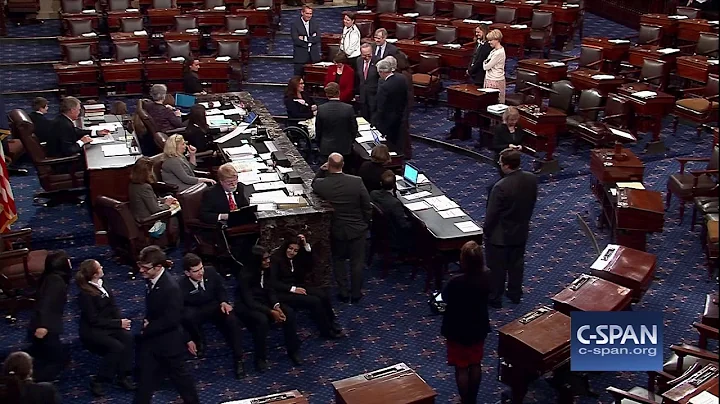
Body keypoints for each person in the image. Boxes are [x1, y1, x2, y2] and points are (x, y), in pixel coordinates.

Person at [134, 245, 200, 404]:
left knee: (182, 380)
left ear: (158, 267)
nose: (141, 271)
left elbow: (172, 319)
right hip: (153, 342)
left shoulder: (170, 287)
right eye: (140, 266)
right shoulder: (151, 280)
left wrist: (147, 328)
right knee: (145, 381)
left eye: (145, 268)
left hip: (168, 343)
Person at [311, 153, 372, 303]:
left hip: (337, 229)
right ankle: (356, 293)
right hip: (358, 229)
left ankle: (343, 292)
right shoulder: (356, 182)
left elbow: (313, 183)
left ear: (329, 165)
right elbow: (366, 205)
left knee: (338, 260)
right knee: (357, 262)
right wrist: (366, 223)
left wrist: (321, 170)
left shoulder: (323, 184)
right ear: (343, 164)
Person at [234, 246, 303, 372]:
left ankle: (293, 351)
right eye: (264, 259)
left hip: (264, 300)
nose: (268, 261)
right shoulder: (244, 275)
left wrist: (276, 306)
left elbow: (270, 289)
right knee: (262, 320)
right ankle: (260, 358)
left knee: (289, 313)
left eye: (268, 258)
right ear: (256, 261)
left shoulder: (268, 269)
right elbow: (249, 301)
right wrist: (271, 312)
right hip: (246, 305)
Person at [484, 149, 538, 308]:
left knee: (497, 269)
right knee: (516, 265)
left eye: (500, 162)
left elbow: (491, 214)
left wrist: (486, 232)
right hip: (521, 231)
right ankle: (515, 293)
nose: (499, 165)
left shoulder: (500, 186)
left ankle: (495, 298)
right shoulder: (531, 179)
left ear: (506, 165)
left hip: (499, 237)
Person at [179, 253, 246, 379]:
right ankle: (199, 340)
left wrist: (224, 302)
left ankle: (239, 359)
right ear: (187, 273)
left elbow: (220, 289)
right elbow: (179, 311)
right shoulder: (180, 285)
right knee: (186, 316)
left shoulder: (211, 272)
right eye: (196, 271)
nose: (201, 273)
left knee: (232, 319)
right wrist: (188, 339)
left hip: (214, 307)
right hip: (195, 310)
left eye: (201, 268)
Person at [440, 241, 491, 404]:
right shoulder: (487, 276)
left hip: (457, 329)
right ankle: (473, 399)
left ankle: (465, 400)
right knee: (475, 363)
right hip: (478, 326)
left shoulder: (455, 282)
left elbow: (443, 300)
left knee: (461, 367)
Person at [75, 259, 135, 396]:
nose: (102, 267)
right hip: (93, 330)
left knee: (128, 338)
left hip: (109, 324)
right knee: (116, 347)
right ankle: (99, 380)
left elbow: (113, 305)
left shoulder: (103, 282)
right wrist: (118, 324)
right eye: (99, 267)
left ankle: (123, 376)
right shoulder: (85, 294)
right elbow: (93, 319)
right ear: (94, 274)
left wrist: (121, 321)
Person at [270, 235, 345, 339]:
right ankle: (326, 331)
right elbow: (273, 283)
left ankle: (332, 322)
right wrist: (293, 289)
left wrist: (305, 245)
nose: (292, 252)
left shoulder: (297, 258)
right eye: (290, 249)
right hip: (283, 292)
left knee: (323, 295)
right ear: (286, 247)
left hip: (297, 285)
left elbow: (309, 265)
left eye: (295, 250)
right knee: (314, 301)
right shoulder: (276, 259)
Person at [27, 250, 72, 383]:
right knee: (57, 360)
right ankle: (32, 385)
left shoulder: (50, 277)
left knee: (48, 356)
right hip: (45, 327)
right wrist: (43, 325)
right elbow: (45, 304)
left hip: (45, 325)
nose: (70, 262)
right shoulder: (55, 282)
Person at [369, 170, 412, 250]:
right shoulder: (394, 203)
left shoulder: (373, 193)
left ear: (381, 183)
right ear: (394, 185)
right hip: (392, 234)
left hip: (377, 229)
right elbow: (403, 225)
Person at [315, 82, 358, 162]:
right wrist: (350, 142)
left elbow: (318, 130)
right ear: (339, 92)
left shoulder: (321, 109)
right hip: (344, 147)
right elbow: (354, 129)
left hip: (326, 147)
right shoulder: (348, 108)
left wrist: (319, 144)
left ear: (327, 94)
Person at [373, 57, 408, 151]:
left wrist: (377, 121)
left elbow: (381, 106)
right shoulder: (402, 79)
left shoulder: (384, 86)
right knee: (397, 138)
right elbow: (406, 97)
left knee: (388, 141)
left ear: (382, 72)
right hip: (400, 114)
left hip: (387, 119)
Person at [291, 5, 321, 76]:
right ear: (302, 13)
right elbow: (296, 40)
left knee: (313, 78)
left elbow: (317, 38)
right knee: (298, 78)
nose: (309, 16)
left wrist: (305, 38)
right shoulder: (295, 24)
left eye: (310, 14)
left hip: (313, 56)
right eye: (307, 13)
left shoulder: (315, 23)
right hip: (300, 57)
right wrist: (311, 40)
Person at [395, 52, 414, 160]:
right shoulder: (406, 73)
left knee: (404, 130)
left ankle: (406, 152)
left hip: (404, 106)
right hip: (406, 104)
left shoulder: (403, 76)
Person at [356, 43, 379, 122]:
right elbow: (358, 78)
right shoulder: (359, 61)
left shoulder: (378, 61)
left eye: (369, 55)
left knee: (373, 118)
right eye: (364, 55)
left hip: (374, 95)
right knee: (364, 117)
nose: (366, 57)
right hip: (363, 94)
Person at [483, 29, 507, 104]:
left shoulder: (499, 53)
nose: (489, 42)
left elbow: (486, 67)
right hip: (490, 78)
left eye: (491, 40)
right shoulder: (493, 51)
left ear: (497, 40)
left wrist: (484, 62)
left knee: (495, 102)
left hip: (495, 80)